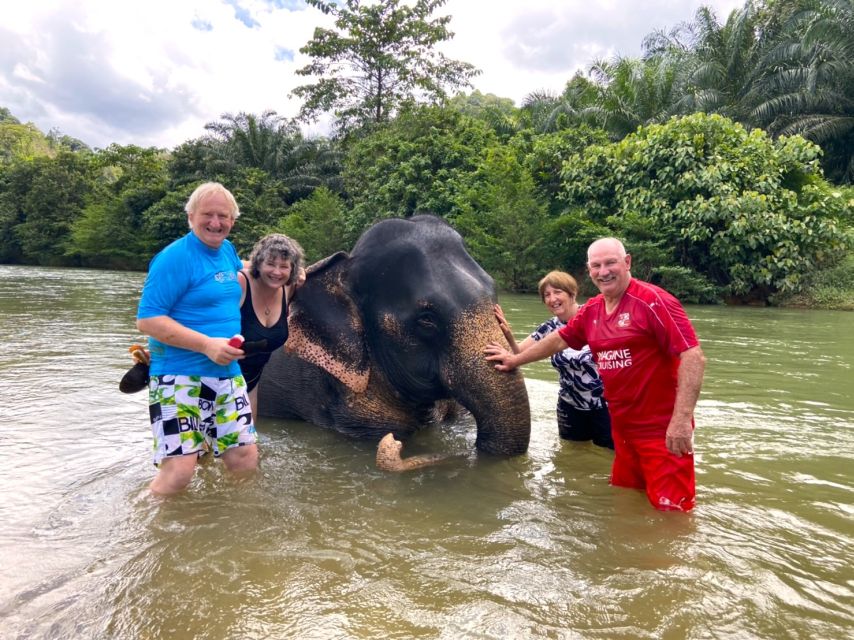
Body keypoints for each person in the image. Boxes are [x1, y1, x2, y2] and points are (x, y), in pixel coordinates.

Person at [485, 238, 705, 512]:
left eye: (610, 263)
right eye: (596, 265)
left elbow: (692, 356)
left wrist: (682, 420)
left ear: (627, 262)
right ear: (589, 270)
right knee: (626, 502)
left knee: (673, 513)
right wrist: (514, 359)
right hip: (622, 428)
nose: (603, 271)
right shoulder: (593, 310)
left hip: (660, 430)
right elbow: (558, 340)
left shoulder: (653, 301)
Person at [136, 182, 257, 496]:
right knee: (179, 471)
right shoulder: (173, 258)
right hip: (178, 377)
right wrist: (206, 345)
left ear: (233, 221)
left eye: (223, 216)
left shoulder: (226, 250)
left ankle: (236, 529)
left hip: (228, 376)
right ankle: (154, 533)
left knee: (244, 458)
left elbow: (238, 268)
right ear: (190, 216)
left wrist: (288, 270)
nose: (216, 223)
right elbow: (147, 320)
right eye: (208, 215)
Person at [494, 270, 613, 449]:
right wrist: (508, 334)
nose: (552, 299)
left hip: (605, 406)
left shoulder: (596, 317)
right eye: (547, 295)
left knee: (608, 456)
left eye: (558, 292)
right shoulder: (549, 327)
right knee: (572, 456)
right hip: (569, 404)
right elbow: (519, 352)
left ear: (572, 293)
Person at [237, 233, 304, 423]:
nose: (277, 272)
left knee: (248, 450)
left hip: (251, 385)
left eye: (284, 266)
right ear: (258, 263)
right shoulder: (240, 283)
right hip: (216, 378)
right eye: (270, 264)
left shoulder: (288, 289)